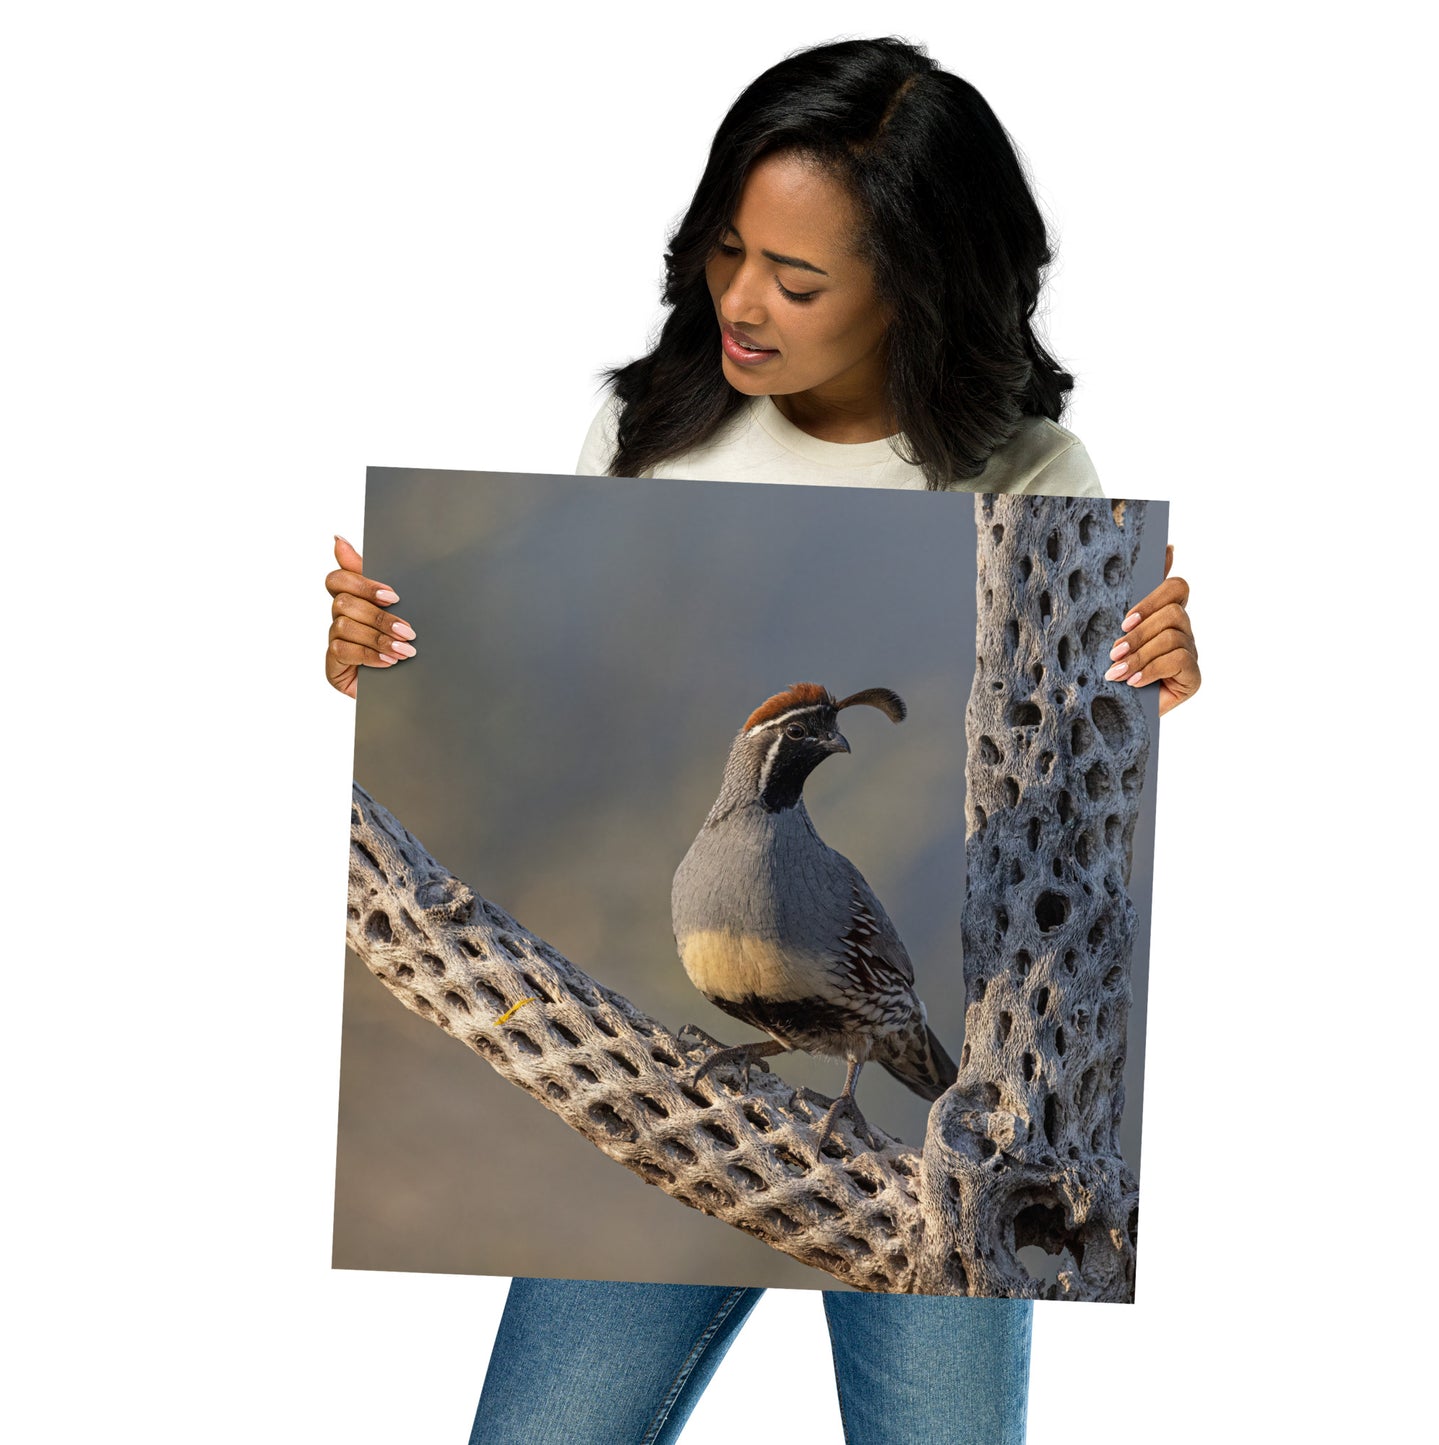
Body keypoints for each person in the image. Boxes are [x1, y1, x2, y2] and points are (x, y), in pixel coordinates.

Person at [325, 37, 1199, 1444]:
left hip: (938, 1159)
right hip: (701, 1118)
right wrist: (365, 649)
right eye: (728, 251)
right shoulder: (647, 424)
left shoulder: (1032, 474)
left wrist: (1160, 669)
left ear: (912, 287)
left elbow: (1097, 741)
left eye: (795, 280)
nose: (742, 299)